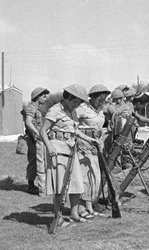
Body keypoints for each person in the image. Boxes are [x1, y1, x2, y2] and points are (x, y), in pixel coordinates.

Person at [40, 84, 100, 225]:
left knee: (77, 182)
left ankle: (74, 214)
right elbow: (43, 131)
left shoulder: (73, 111)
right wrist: (49, 147)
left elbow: (74, 130)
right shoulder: (55, 111)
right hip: (57, 149)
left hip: (71, 148)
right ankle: (58, 217)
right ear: (67, 97)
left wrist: (90, 139)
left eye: (79, 103)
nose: (77, 105)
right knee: (60, 186)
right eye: (75, 102)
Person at [74, 84, 111, 219]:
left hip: (96, 147)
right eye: (100, 99)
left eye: (105, 99)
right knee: (85, 179)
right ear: (92, 97)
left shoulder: (100, 110)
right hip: (83, 146)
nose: (102, 102)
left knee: (94, 178)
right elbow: (72, 125)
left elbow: (100, 128)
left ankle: (89, 207)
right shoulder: (82, 109)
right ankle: (80, 208)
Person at [24, 87, 50, 195]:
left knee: (40, 162)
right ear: (37, 96)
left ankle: (40, 186)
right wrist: (37, 133)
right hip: (33, 139)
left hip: (39, 139)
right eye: (43, 96)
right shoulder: (31, 108)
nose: (45, 98)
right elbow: (28, 122)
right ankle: (35, 187)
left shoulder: (39, 108)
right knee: (35, 162)